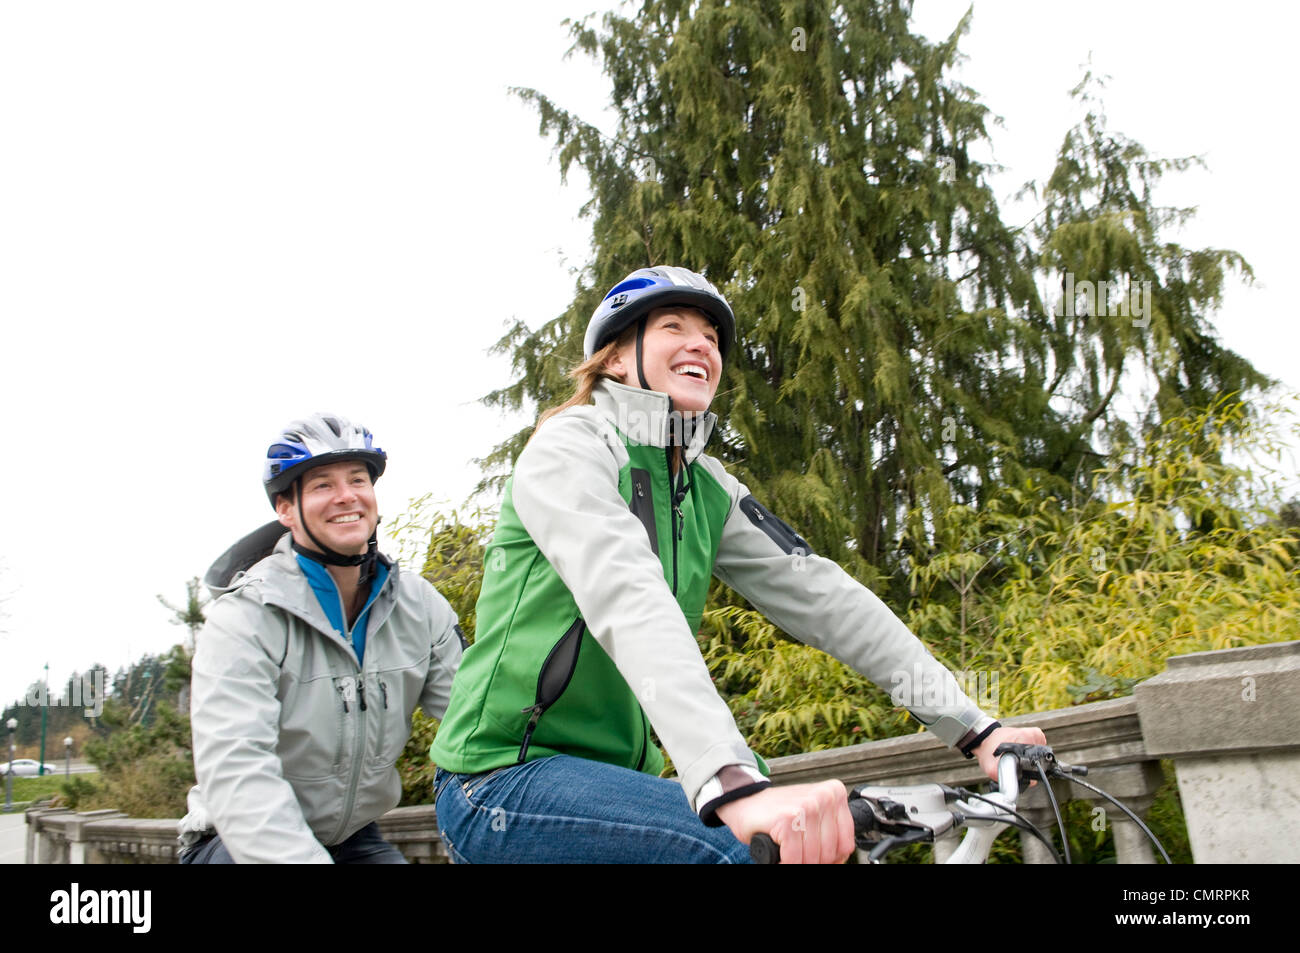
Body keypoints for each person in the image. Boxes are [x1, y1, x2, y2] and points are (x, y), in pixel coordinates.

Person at [430, 266, 1045, 864]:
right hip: (500, 779)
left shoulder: (707, 488)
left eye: (712, 336)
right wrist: (732, 782)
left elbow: (825, 597)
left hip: (613, 784)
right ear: (617, 358)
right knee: (744, 847)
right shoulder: (572, 447)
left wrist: (975, 729)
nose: (701, 343)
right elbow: (629, 598)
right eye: (672, 326)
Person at [178, 413, 464, 863]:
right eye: (322, 485)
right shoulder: (245, 617)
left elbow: (477, 718)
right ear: (285, 509)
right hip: (235, 839)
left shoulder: (420, 606)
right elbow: (238, 771)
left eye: (357, 479)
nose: (347, 496)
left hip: (352, 839)